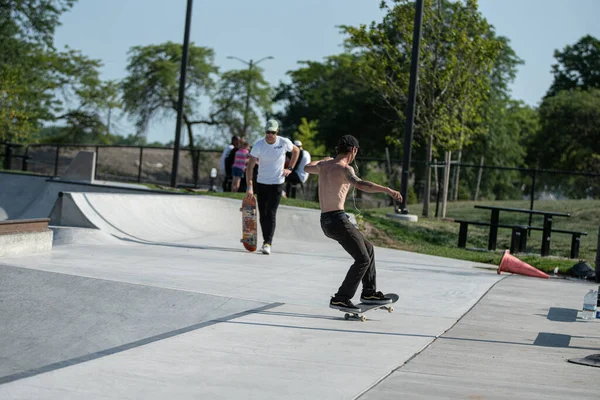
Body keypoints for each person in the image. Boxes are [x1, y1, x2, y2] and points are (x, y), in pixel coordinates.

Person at [304, 134, 403, 312]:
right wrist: (387, 189)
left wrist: (325, 159)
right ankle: (341, 298)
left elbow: (306, 167)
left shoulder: (324, 165)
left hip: (325, 220)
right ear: (354, 150)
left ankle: (369, 292)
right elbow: (361, 184)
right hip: (337, 219)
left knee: (369, 248)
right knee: (362, 258)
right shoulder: (345, 168)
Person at [244, 119, 300, 255]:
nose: (270, 135)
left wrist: (290, 168)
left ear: (277, 132)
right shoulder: (259, 145)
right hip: (262, 183)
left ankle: (267, 243)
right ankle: (265, 240)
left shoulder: (283, 142)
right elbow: (250, 166)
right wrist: (250, 186)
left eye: (272, 132)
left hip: (277, 183)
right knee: (263, 214)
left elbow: (296, 151)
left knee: (271, 213)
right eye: (267, 132)